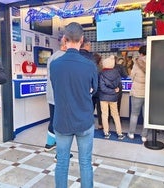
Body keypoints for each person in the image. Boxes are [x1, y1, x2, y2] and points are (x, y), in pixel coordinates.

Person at [50, 22, 98, 188]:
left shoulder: (54, 65)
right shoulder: (90, 66)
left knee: (62, 163)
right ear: (82, 40)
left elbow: (57, 88)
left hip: (62, 120)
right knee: (85, 163)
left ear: (64, 39)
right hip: (84, 120)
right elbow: (94, 91)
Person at [44, 40, 67, 151]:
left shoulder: (52, 57)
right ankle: (61, 153)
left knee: (53, 119)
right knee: (62, 122)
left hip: (51, 94)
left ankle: (49, 144)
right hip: (61, 95)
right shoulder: (64, 57)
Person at [99, 55, 125, 140]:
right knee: (116, 115)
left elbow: (102, 88)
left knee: (104, 115)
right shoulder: (117, 73)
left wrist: (111, 91)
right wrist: (114, 91)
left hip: (103, 97)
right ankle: (120, 133)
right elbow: (119, 85)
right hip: (113, 98)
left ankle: (106, 132)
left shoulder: (101, 74)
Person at [127, 45, 148, 142]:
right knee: (146, 116)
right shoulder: (152, 61)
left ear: (141, 53)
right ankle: (144, 136)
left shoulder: (137, 63)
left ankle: (131, 133)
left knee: (134, 114)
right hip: (148, 93)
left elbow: (131, 76)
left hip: (137, 93)